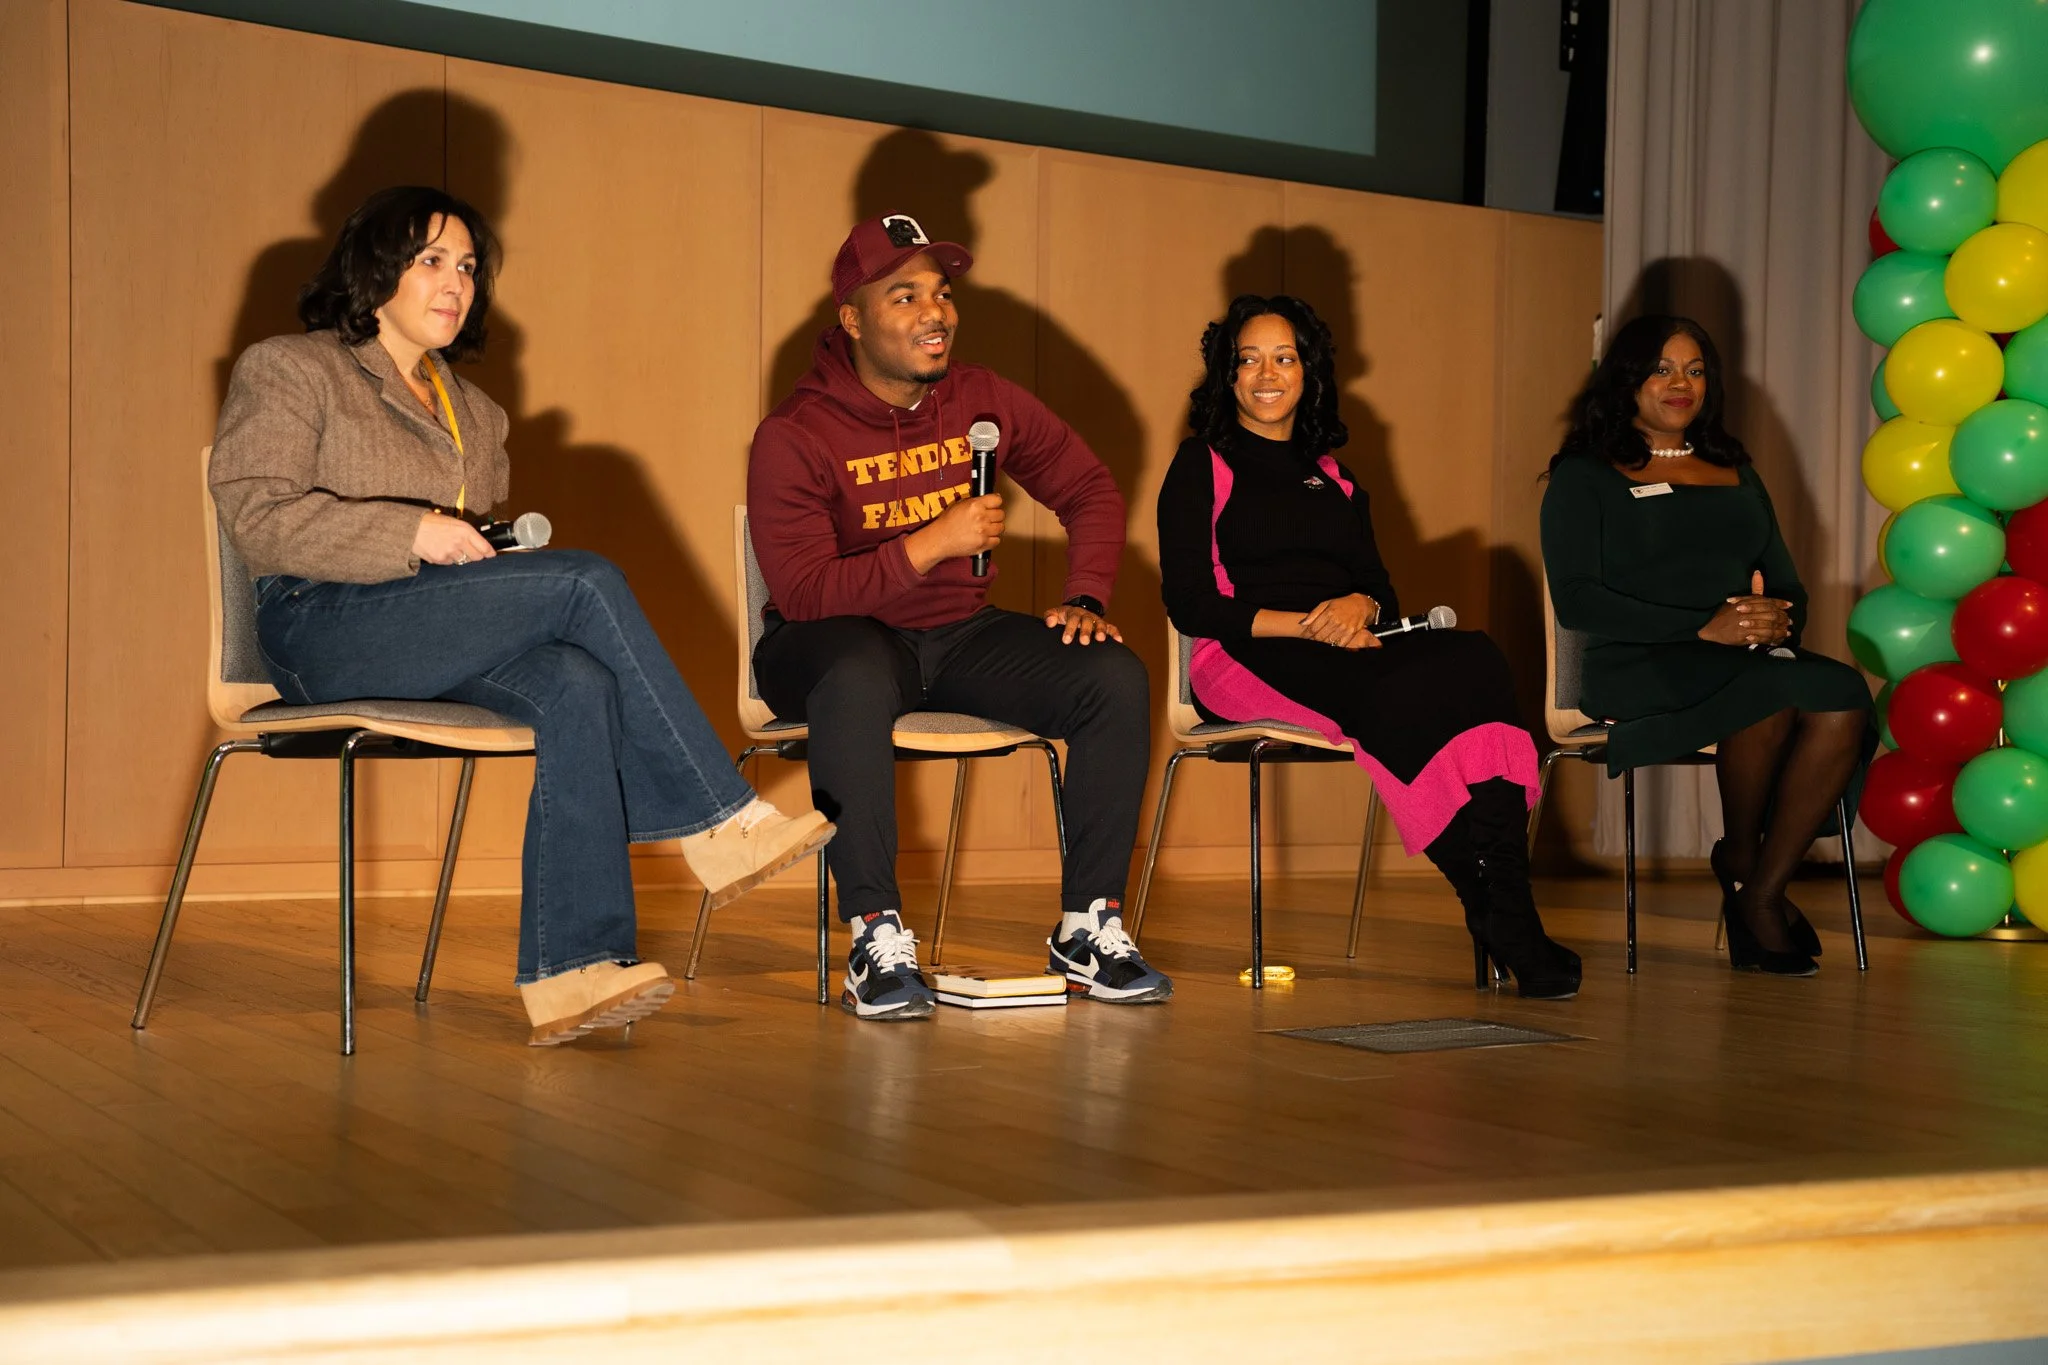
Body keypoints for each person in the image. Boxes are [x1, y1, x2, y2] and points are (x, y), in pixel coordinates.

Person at [210, 186, 834, 1045]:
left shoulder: (476, 412)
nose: (455, 283)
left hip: (425, 630)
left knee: (577, 682)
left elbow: (469, 560)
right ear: (373, 269)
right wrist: (412, 531)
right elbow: (257, 515)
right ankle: (719, 819)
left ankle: (572, 970)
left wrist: (479, 550)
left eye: (467, 267)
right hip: (320, 626)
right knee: (583, 579)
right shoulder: (290, 366)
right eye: (431, 260)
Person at [747, 212, 1168, 1020]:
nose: (934, 313)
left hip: (956, 636)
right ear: (852, 320)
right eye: (904, 297)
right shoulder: (795, 433)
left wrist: (1086, 595)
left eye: (940, 293)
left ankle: (1088, 926)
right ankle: (874, 936)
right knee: (856, 671)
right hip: (823, 645)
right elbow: (803, 594)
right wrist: (931, 543)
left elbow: (1090, 488)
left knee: (1111, 675)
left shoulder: (981, 398)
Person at [1158, 294, 1580, 999]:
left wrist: (1361, 606)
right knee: (1389, 694)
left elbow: (1377, 585)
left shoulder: (1335, 475)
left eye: (1284, 357)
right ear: (1228, 375)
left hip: (1345, 644)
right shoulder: (1201, 462)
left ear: (1309, 371)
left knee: (1476, 657)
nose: (1267, 374)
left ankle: (1505, 900)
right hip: (1240, 652)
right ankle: (1486, 899)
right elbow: (1192, 603)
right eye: (1249, 359)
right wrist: (1307, 624)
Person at [1540, 314, 1872, 977]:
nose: (1680, 384)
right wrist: (1702, 625)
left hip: (1737, 656)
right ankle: (1752, 878)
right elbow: (1577, 601)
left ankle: (1758, 879)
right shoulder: (1584, 474)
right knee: (1769, 693)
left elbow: (1785, 581)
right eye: (1662, 369)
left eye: (1694, 370)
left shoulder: (1733, 469)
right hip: (1635, 660)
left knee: (1842, 692)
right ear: (1627, 379)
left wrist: (1776, 621)